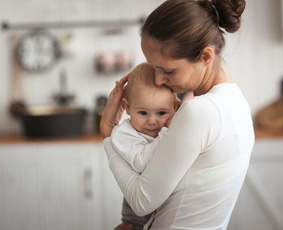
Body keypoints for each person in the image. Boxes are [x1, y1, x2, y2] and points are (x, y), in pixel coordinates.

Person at [101, 0, 255, 229]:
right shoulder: (237, 101)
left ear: (205, 57)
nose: (157, 80)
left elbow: (142, 201)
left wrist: (107, 135)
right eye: (154, 67)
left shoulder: (199, 112)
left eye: (168, 70)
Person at [110, 62, 179, 230]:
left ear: (174, 108)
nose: (152, 121)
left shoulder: (175, 128)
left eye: (161, 113)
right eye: (142, 113)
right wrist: (166, 133)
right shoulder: (123, 133)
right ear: (127, 107)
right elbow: (141, 162)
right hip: (137, 219)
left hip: (166, 212)